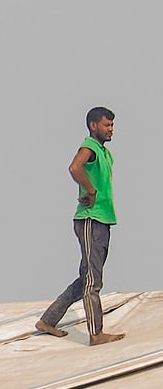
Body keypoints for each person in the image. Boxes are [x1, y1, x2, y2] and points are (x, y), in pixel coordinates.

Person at [36, 106, 126, 346]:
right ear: (93, 126)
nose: (111, 129)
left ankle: (48, 320)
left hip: (102, 219)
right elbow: (75, 167)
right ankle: (96, 334)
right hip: (90, 219)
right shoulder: (90, 147)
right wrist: (91, 190)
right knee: (93, 281)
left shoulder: (104, 153)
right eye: (107, 125)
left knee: (86, 278)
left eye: (112, 125)